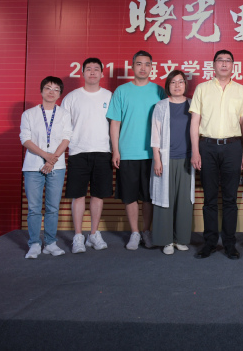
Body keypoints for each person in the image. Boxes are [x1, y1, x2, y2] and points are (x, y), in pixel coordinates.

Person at [190, 49, 243, 259]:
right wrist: (195, 151)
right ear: (213, 64)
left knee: (230, 199)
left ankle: (229, 244)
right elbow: (195, 122)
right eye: (220, 60)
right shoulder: (202, 89)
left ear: (233, 65)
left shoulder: (241, 90)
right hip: (206, 147)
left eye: (228, 61)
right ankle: (209, 243)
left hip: (233, 147)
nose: (224, 64)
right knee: (209, 198)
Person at [107, 50, 166, 250]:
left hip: (152, 153)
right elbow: (115, 123)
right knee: (130, 195)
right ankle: (134, 232)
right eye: (139, 64)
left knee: (149, 196)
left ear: (152, 67)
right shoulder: (121, 91)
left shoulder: (159, 91)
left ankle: (146, 231)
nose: (143, 68)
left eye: (147, 64)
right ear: (132, 67)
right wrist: (116, 150)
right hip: (128, 152)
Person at [62, 58, 113, 254]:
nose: (92, 72)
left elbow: (115, 125)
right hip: (78, 151)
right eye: (89, 69)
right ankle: (78, 236)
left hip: (103, 151)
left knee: (98, 195)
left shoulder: (109, 96)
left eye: (96, 69)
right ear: (82, 73)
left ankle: (93, 234)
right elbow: (64, 127)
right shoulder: (71, 98)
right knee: (78, 195)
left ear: (102, 73)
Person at [20, 76, 72, 259]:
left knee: (52, 207)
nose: (52, 92)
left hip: (57, 167)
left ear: (60, 94)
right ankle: (34, 244)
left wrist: (52, 160)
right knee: (34, 208)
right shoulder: (29, 114)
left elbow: (66, 138)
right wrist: (46, 156)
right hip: (33, 166)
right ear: (41, 90)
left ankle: (50, 243)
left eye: (56, 89)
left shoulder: (64, 114)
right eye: (48, 88)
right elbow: (25, 139)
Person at [150, 70, 194, 255]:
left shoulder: (192, 104)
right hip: (166, 159)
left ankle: (181, 239)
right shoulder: (161, 106)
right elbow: (155, 134)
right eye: (173, 82)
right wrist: (157, 159)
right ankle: (166, 240)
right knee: (165, 200)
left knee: (184, 201)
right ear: (168, 85)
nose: (177, 85)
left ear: (185, 84)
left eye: (180, 82)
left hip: (187, 159)